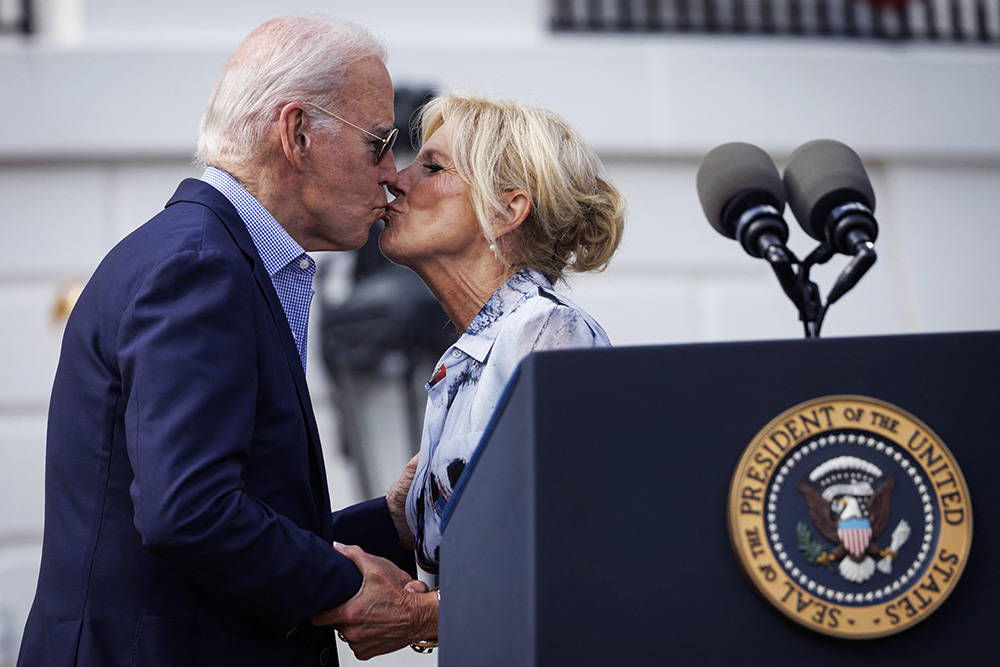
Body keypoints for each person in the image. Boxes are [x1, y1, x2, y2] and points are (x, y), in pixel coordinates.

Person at [17, 15, 426, 667]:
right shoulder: (199, 267)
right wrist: (348, 586)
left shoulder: (210, 258)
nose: (392, 174)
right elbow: (191, 512)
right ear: (296, 133)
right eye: (378, 143)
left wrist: (393, 521)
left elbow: (240, 518)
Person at [313, 93, 625, 659]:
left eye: (431, 167)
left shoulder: (545, 334)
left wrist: (417, 616)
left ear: (507, 211)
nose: (395, 180)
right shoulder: (466, 360)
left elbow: (579, 555)